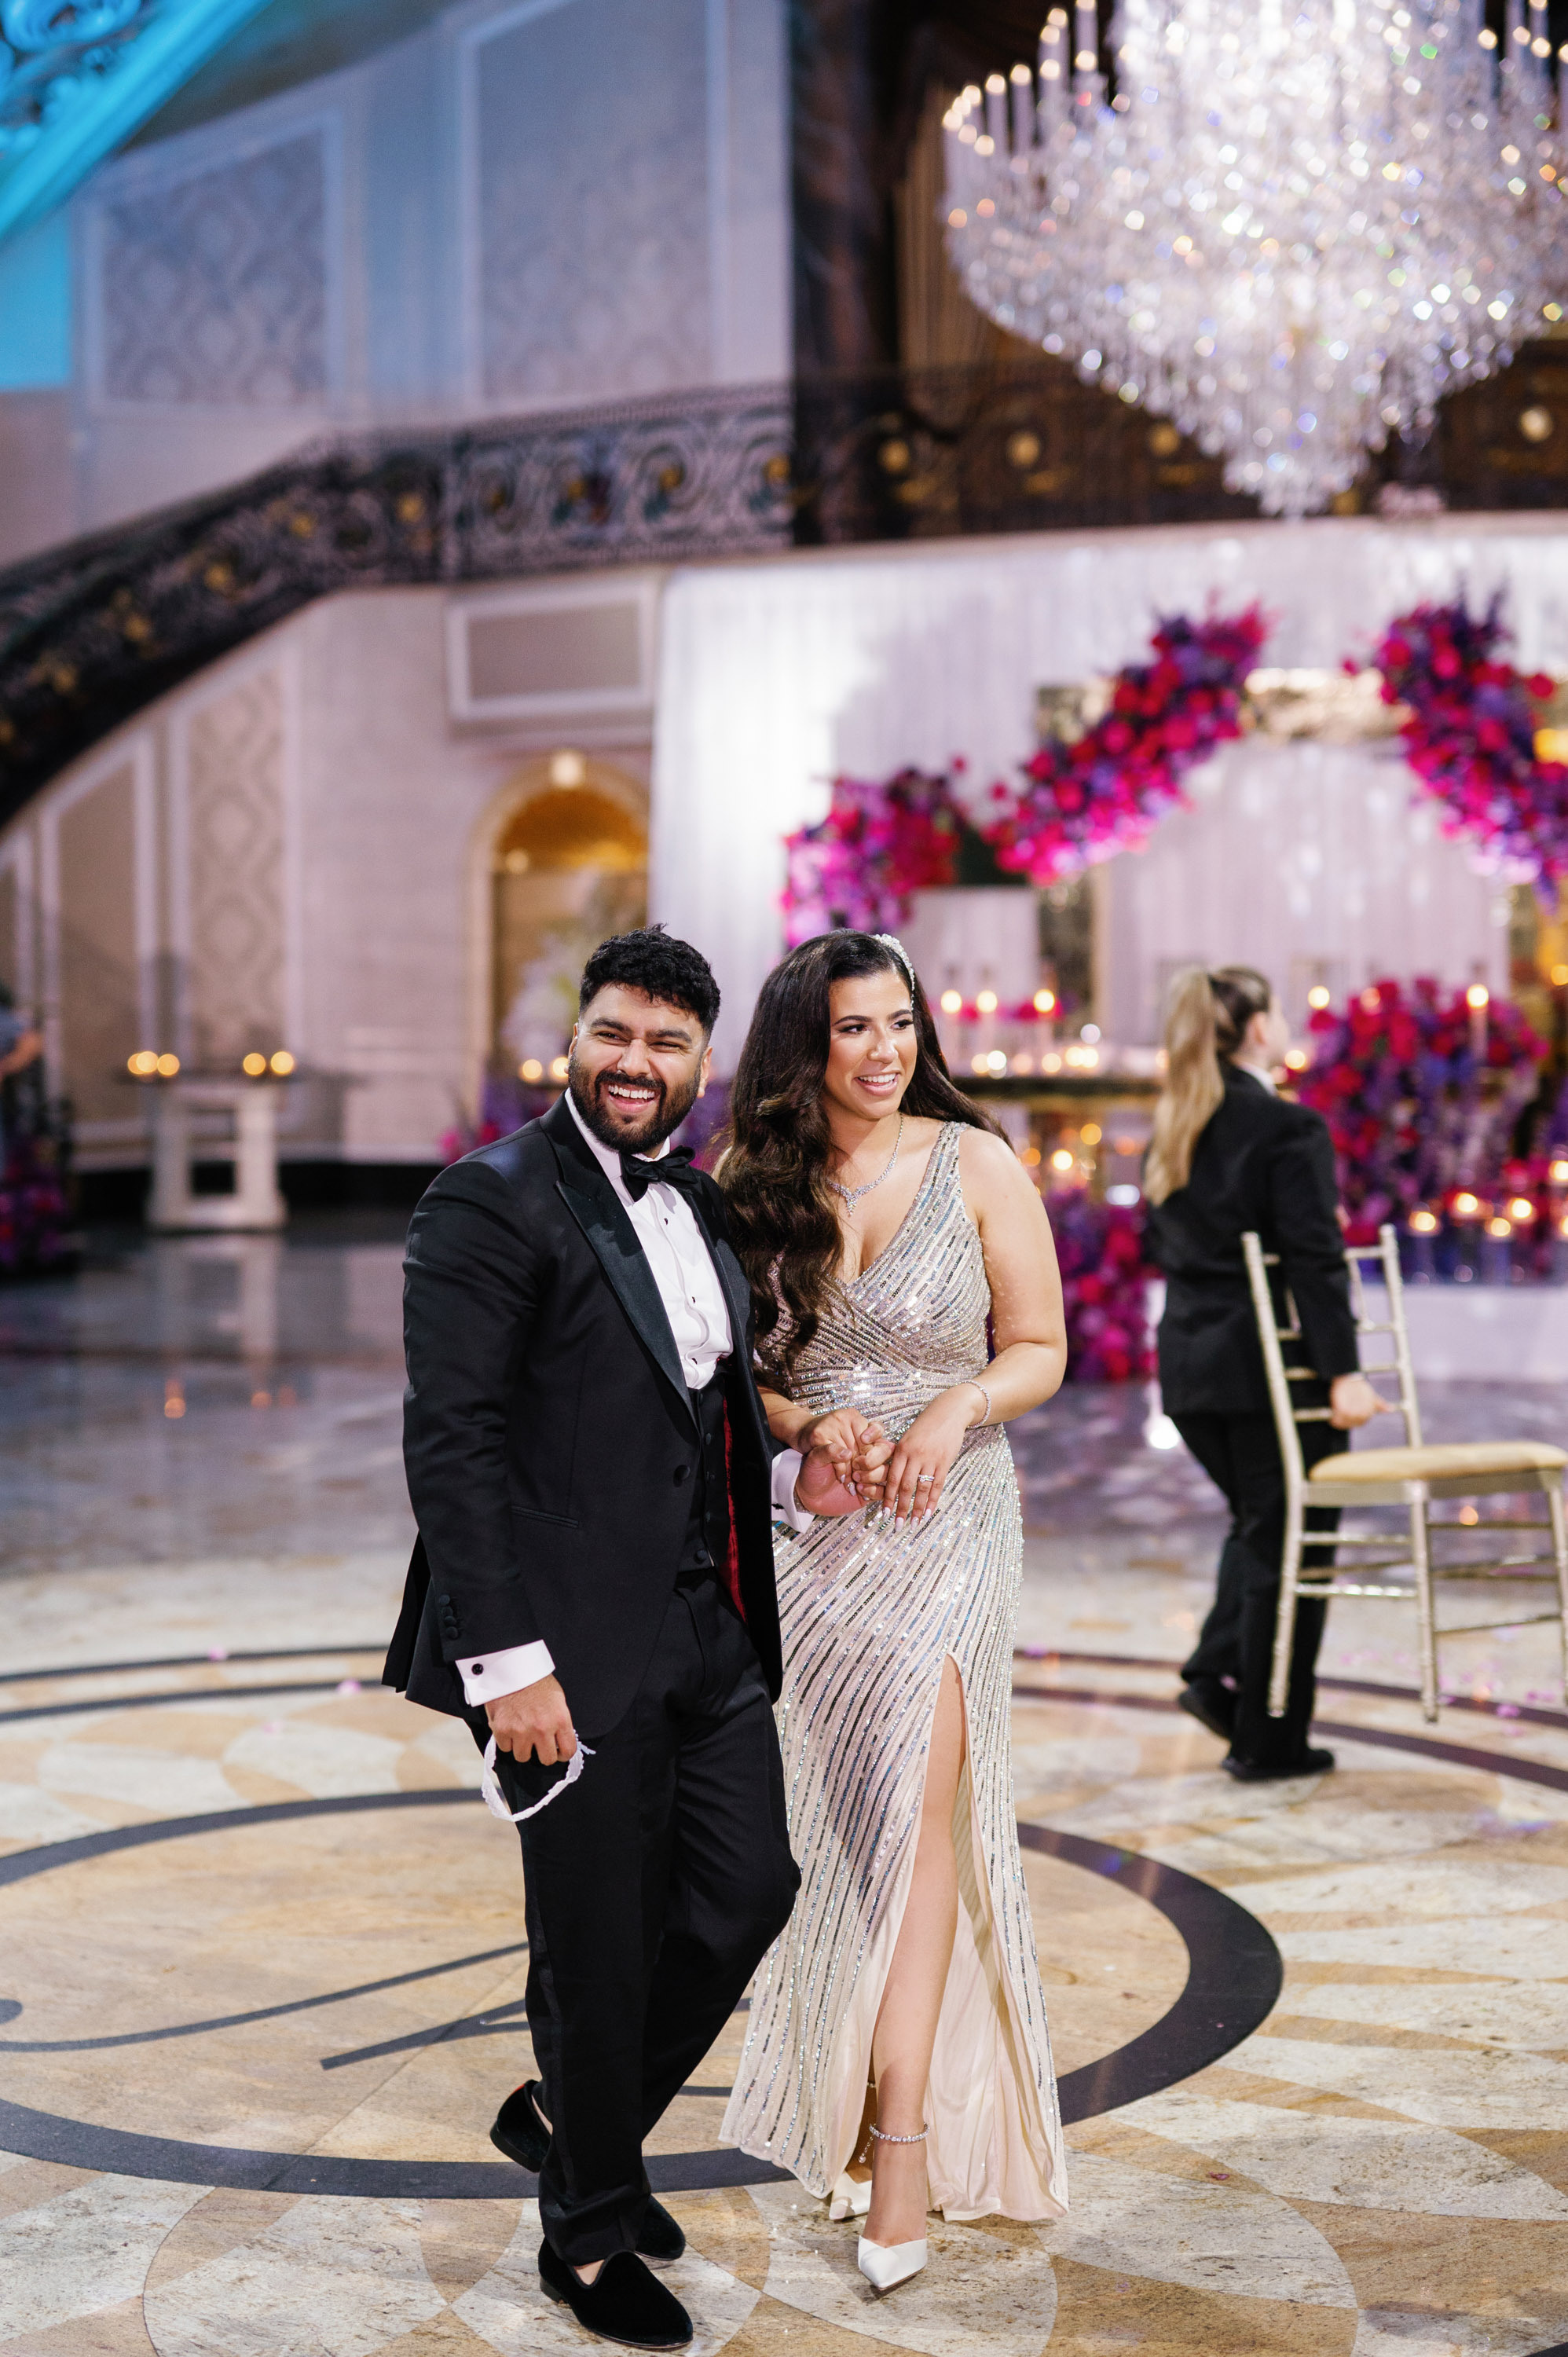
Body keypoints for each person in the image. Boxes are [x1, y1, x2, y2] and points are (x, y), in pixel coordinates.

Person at [384, 928, 878, 2355]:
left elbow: (710, 1420)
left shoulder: (699, 1211)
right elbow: (455, 1448)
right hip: (560, 1652)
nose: (635, 1064)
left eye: (667, 1045)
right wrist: (504, 1667)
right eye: (615, 1034)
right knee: (593, 1951)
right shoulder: (485, 1203)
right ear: (574, 1036)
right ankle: (588, 2237)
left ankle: (564, 2123)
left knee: (746, 1895)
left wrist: (794, 1480)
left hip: (706, 1623)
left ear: (700, 1063)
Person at [717, 929, 1070, 2296]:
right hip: (816, 1538)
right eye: (854, 1029)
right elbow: (729, 1379)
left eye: (900, 1021)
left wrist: (951, 1404)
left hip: (952, 1525)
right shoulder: (754, 1185)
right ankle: (858, 2098)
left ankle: (907, 2141)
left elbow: (1036, 1345)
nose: (884, 1050)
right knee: (840, 1837)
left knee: (925, 1828)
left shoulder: (976, 1164)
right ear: (804, 1048)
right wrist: (812, 1423)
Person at [1142, 966, 1383, 1783]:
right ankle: (1267, 1732)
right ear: (1253, 1030)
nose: (1284, 1024)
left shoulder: (1177, 1123)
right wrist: (1342, 1373)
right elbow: (1314, 1260)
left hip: (1188, 1367)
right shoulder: (1285, 1127)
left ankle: (1223, 1686)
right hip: (1267, 1370)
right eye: (1277, 1012)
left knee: (1263, 1524)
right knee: (1293, 1539)